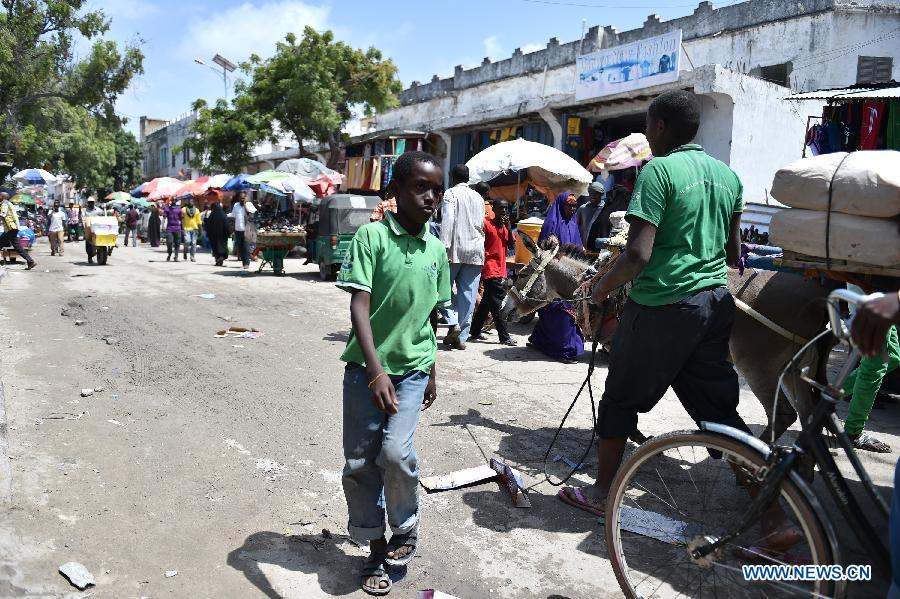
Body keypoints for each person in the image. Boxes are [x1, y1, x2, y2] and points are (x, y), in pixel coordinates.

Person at [558, 91, 794, 546]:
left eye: (649, 125)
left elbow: (638, 254)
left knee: (619, 400)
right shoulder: (728, 176)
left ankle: (604, 492)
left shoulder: (659, 171)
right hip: (714, 304)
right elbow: (732, 253)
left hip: (664, 305)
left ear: (661, 127)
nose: (648, 134)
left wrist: (600, 288)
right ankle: (776, 516)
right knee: (720, 414)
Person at [336, 151, 450, 596]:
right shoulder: (371, 238)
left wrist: (433, 370)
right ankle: (375, 549)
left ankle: (405, 528)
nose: (430, 197)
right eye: (421, 187)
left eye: (436, 190)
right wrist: (375, 372)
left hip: (413, 369)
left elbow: (429, 318)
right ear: (395, 192)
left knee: (397, 453)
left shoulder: (436, 249)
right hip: (366, 371)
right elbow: (358, 307)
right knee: (360, 463)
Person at [527, 192, 585, 362]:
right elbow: (543, 251)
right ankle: (564, 349)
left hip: (570, 276)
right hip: (553, 277)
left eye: (575, 206)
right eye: (570, 205)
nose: (573, 209)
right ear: (561, 205)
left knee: (559, 312)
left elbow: (579, 249)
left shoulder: (573, 225)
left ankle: (540, 340)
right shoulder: (551, 224)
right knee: (560, 312)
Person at [438, 164, 485, 350]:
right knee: (468, 295)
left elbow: (447, 221)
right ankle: (461, 338)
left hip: (454, 250)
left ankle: (451, 321)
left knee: (440, 290)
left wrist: (443, 248)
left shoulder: (451, 194)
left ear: (452, 177)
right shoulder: (478, 197)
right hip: (475, 251)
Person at [470, 199, 516, 346]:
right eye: (501, 208)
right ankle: (504, 336)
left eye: (506, 208)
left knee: (487, 302)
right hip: (490, 268)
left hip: (500, 268)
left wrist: (508, 228)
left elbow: (510, 246)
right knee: (498, 304)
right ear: (494, 209)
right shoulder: (486, 224)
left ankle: (475, 330)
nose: (504, 211)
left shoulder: (504, 227)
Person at [0, 193, 36, 269]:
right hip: (10, 229)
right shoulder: (8, 203)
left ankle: (30, 261)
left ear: (2, 197)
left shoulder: (5, 203)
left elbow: (2, 214)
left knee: (17, 246)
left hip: (11, 228)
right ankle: (30, 261)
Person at [229, 193, 256, 271]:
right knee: (240, 247)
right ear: (238, 199)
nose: (242, 200)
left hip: (247, 230)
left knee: (246, 247)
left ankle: (247, 263)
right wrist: (226, 215)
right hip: (238, 230)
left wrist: (246, 207)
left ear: (246, 198)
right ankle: (244, 262)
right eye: (241, 198)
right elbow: (233, 215)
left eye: (243, 198)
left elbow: (254, 213)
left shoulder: (249, 204)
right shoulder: (236, 205)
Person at [576, 182, 605, 251]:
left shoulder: (605, 209)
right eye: (591, 193)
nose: (593, 196)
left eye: (596, 194)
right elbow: (575, 227)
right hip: (584, 248)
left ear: (601, 194)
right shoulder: (582, 209)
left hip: (600, 249)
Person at [205, 201, 230, 266]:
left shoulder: (211, 216)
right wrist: (229, 232)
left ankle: (217, 259)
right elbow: (226, 225)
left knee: (215, 248)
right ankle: (221, 258)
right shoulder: (223, 215)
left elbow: (207, 226)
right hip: (222, 236)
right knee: (223, 248)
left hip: (213, 236)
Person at [82, 198, 103, 264]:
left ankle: (99, 254)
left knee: (99, 242)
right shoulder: (85, 211)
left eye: (92, 202)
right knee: (88, 244)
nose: (91, 204)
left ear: (94, 203)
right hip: (89, 229)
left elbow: (103, 216)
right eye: (90, 202)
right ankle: (90, 257)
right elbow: (83, 219)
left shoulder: (98, 210)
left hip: (97, 229)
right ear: (88, 203)